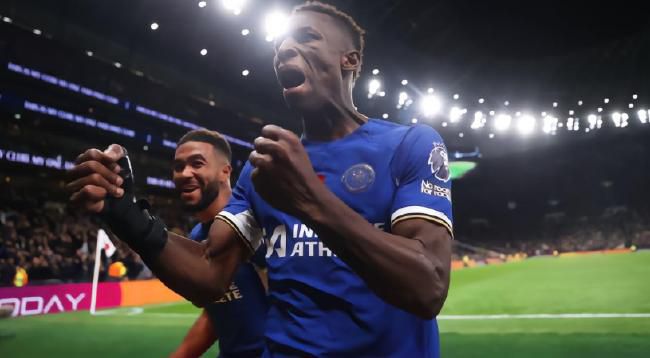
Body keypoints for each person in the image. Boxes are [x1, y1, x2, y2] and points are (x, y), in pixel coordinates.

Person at [66, 1, 453, 356]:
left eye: (306, 37)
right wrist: (127, 217)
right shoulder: (263, 168)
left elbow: (428, 288)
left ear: (348, 60)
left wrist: (311, 202)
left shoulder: (411, 144)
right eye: (280, 45)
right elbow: (210, 274)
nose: (284, 49)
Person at [169, 129, 268, 358]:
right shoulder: (197, 237)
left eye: (197, 163)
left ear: (225, 172)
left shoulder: (257, 222)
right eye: (178, 166)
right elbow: (217, 312)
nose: (185, 173)